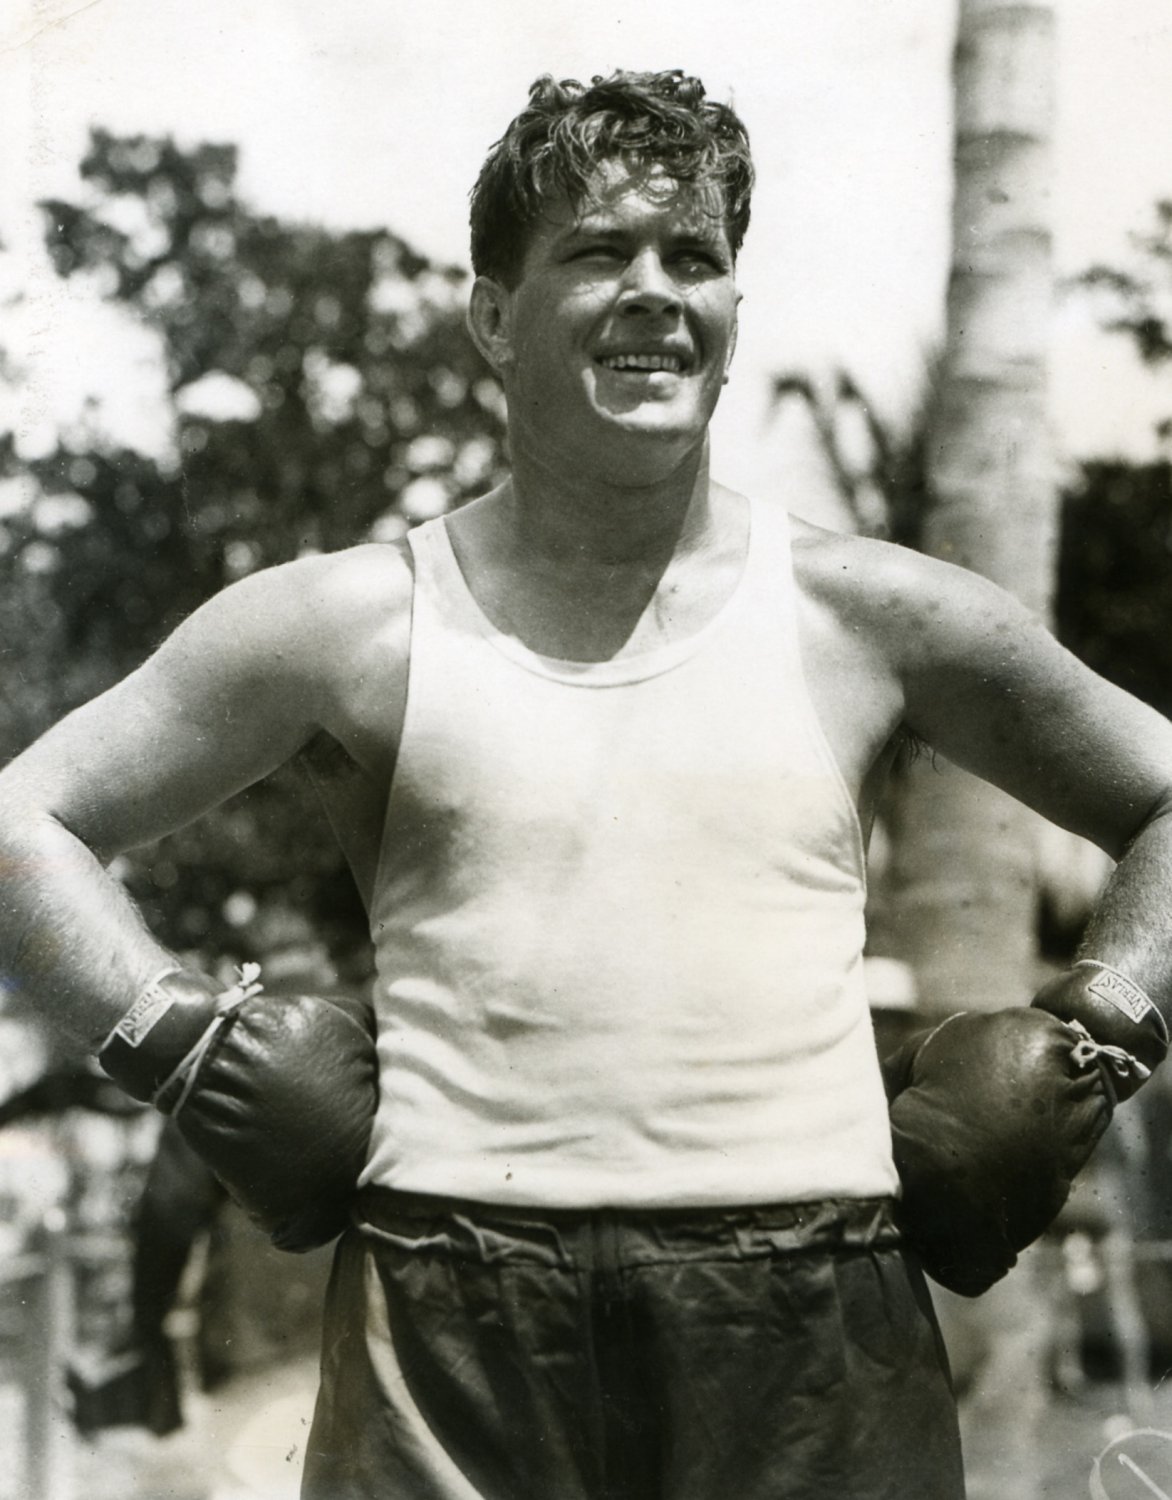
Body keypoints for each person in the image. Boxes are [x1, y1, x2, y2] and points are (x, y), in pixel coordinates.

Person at [1, 68, 1171, 1500]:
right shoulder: (349, 624)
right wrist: (172, 1043)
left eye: (695, 258)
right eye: (597, 251)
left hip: (809, 1313)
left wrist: (1110, 1017)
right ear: (492, 314)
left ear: (736, 313)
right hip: (452, 1311)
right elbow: (21, 819)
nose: (653, 293)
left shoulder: (876, 614)